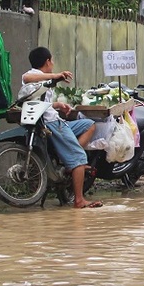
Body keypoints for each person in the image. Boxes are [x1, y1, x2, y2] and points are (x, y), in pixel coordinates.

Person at [22, 47, 100, 209]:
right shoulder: (33, 75)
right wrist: (55, 76)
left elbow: (42, 101)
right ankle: (79, 200)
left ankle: (68, 160)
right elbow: (27, 77)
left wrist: (58, 105)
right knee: (79, 158)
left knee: (89, 125)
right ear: (47, 61)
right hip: (51, 124)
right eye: (52, 61)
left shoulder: (43, 81)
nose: (53, 64)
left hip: (56, 119)